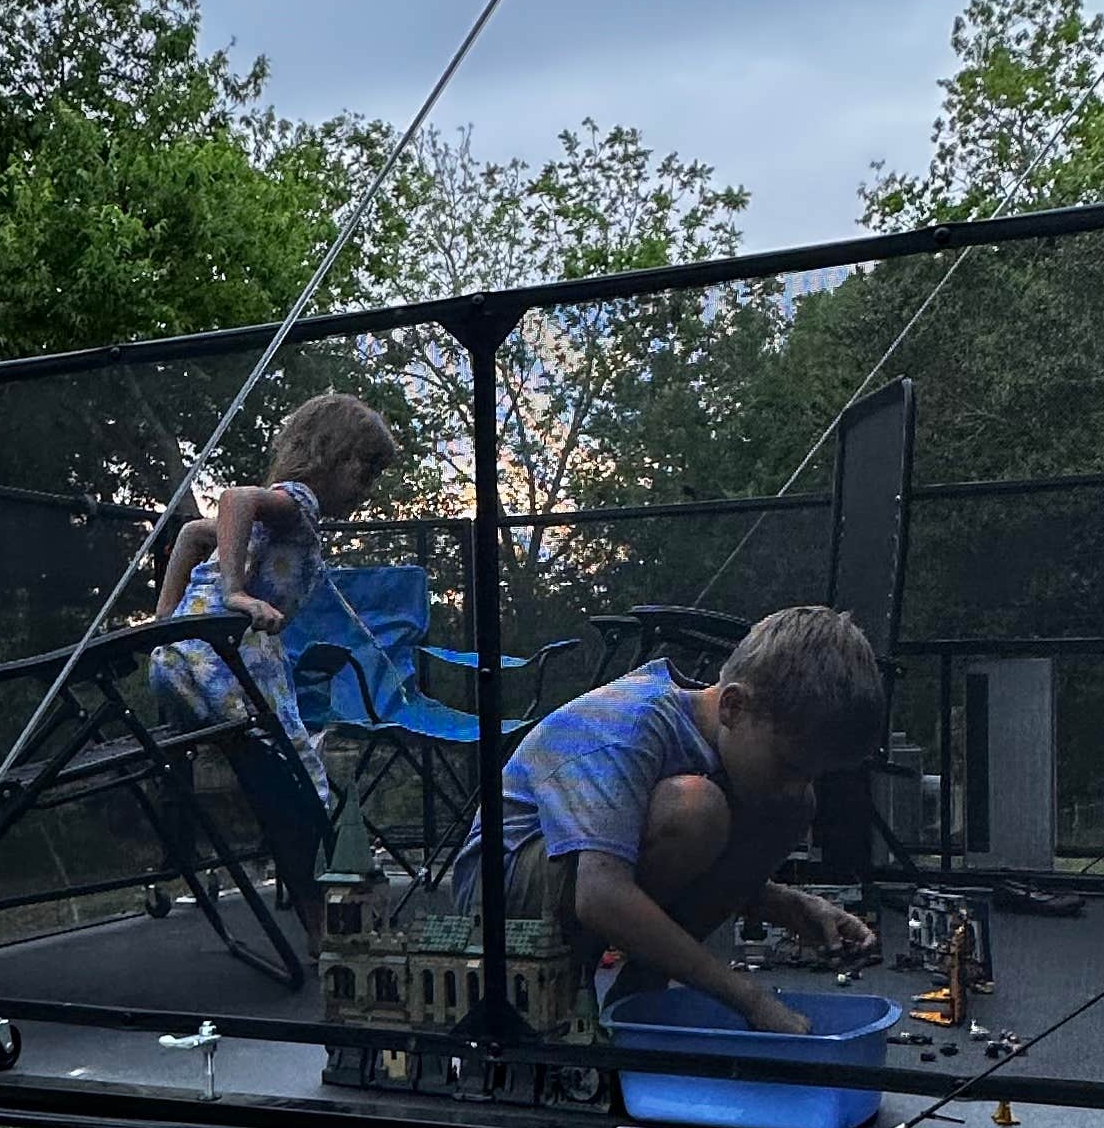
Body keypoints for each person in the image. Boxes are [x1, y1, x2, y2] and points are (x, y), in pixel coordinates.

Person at [454, 603, 884, 1034]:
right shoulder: (629, 724)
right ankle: (593, 988)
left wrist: (788, 905)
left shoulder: (735, 746)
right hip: (500, 894)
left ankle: (638, 997)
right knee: (696, 809)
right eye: (789, 766)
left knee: (791, 806)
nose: (796, 783)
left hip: (583, 872)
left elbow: (660, 856)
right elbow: (600, 894)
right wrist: (750, 1001)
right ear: (733, 706)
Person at [149, 390, 398, 891]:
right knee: (301, 781)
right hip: (226, 661)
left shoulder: (287, 515)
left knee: (273, 773)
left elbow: (194, 536)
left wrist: (165, 622)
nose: (366, 489)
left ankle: (314, 906)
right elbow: (234, 498)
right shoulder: (298, 502)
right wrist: (235, 592)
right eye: (364, 471)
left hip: (183, 658)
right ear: (329, 457)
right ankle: (322, 914)